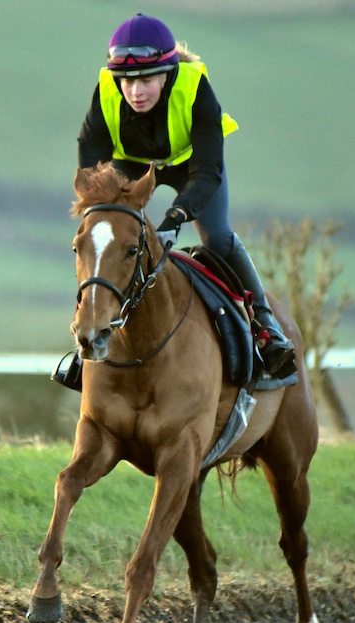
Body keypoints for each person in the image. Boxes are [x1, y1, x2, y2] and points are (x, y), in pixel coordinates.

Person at [76, 13, 297, 379]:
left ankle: (267, 329)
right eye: (127, 82)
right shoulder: (105, 91)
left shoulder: (196, 89)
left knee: (218, 239)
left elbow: (208, 171)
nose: (135, 92)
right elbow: (91, 155)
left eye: (146, 80)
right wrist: (96, 206)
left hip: (193, 166)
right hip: (130, 165)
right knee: (101, 241)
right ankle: (85, 331)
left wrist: (176, 217)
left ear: (167, 72)